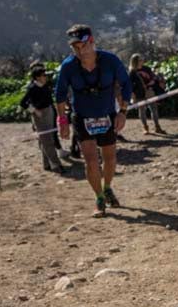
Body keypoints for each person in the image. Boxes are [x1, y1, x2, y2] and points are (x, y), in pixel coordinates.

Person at [54, 24, 132, 216]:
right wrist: (62, 121)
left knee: (110, 158)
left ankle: (107, 187)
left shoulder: (110, 61)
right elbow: (60, 93)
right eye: (75, 47)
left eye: (83, 45)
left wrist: (122, 112)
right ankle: (99, 197)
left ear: (92, 41)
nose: (80, 51)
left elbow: (126, 84)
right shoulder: (68, 66)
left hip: (107, 115)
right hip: (82, 116)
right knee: (90, 161)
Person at [19, 62, 63, 172]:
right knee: (46, 139)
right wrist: (34, 110)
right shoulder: (32, 88)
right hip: (40, 115)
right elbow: (23, 103)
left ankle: (47, 164)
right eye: (43, 75)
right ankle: (56, 164)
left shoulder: (46, 85)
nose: (46, 77)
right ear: (37, 77)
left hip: (49, 111)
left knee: (49, 138)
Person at [129, 53, 168, 135]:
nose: (142, 61)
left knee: (154, 110)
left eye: (142, 59)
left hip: (149, 92)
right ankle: (145, 127)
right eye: (140, 60)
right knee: (142, 111)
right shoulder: (132, 72)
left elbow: (153, 77)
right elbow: (130, 85)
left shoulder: (147, 69)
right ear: (135, 61)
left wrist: (155, 81)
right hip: (139, 94)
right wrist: (133, 95)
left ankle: (157, 127)